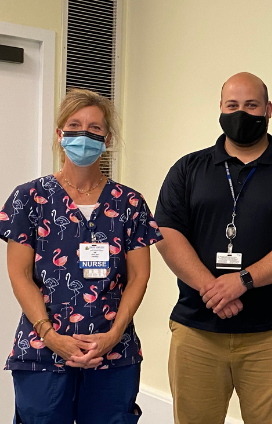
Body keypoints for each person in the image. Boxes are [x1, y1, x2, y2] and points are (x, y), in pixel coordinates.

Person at [155, 72, 272, 424]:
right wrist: (211, 287)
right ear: (220, 109)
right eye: (232, 105)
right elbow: (167, 233)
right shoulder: (188, 169)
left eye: (251, 105)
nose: (241, 113)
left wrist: (242, 281)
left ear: (268, 110)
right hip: (197, 332)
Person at [0, 88, 163, 424]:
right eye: (74, 126)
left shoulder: (129, 203)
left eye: (95, 128)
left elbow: (140, 276)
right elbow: (18, 275)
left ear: (107, 138)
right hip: (42, 349)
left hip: (113, 349)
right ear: (60, 135)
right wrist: (50, 335)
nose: (84, 135)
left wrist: (113, 335)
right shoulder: (29, 199)